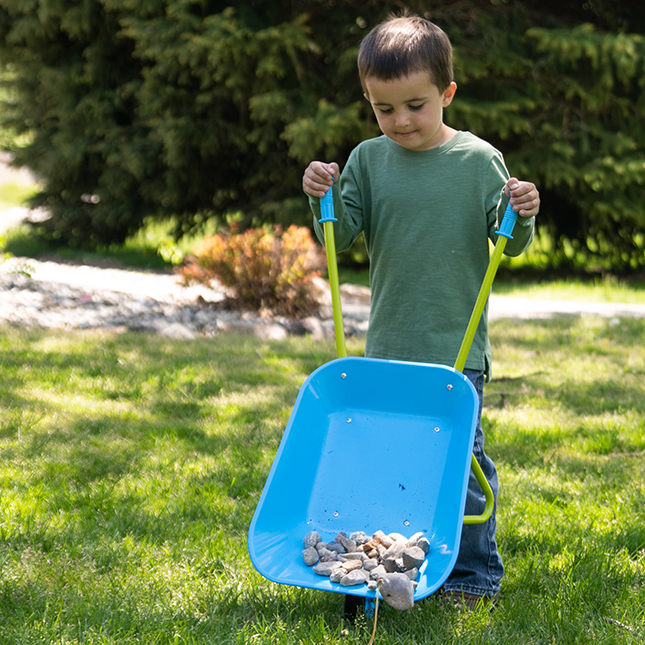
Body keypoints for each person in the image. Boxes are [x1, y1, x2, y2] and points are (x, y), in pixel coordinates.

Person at [302, 13, 540, 608]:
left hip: (457, 351)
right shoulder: (367, 160)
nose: (400, 121)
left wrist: (524, 212)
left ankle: (473, 575)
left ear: (447, 94)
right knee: (387, 468)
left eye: (415, 105)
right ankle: (386, 568)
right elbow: (343, 234)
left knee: (462, 473)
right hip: (388, 346)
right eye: (384, 110)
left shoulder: (479, 161)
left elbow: (507, 243)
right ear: (369, 102)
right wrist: (323, 195)